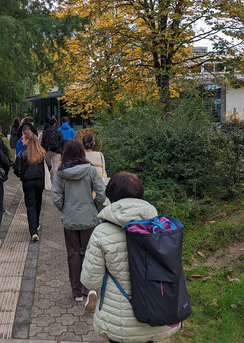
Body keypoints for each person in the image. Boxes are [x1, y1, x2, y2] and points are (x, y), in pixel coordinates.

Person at [80, 172, 181, 343]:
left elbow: (91, 281)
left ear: (110, 197)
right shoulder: (161, 229)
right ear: (140, 195)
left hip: (119, 318)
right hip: (155, 310)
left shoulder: (102, 232)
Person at [51, 139, 105, 303]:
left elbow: (55, 197)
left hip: (70, 219)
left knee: (73, 254)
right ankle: (87, 289)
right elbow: (101, 193)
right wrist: (94, 206)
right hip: (89, 217)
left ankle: (76, 292)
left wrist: (65, 208)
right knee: (88, 253)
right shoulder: (90, 170)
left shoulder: (61, 172)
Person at [13, 127, 48, 241]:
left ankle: (33, 231)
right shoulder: (41, 152)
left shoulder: (22, 154)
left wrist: (21, 175)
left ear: (28, 140)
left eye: (23, 139)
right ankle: (36, 223)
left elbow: (16, 169)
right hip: (39, 181)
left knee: (30, 205)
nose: (21, 141)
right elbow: (49, 166)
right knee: (38, 203)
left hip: (28, 182)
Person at [41, 118, 64, 182]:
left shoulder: (45, 132)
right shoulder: (58, 132)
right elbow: (61, 142)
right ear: (55, 124)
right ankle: (54, 181)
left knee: (47, 165)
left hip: (47, 150)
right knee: (55, 166)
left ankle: (47, 180)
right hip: (56, 151)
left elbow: (43, 142)